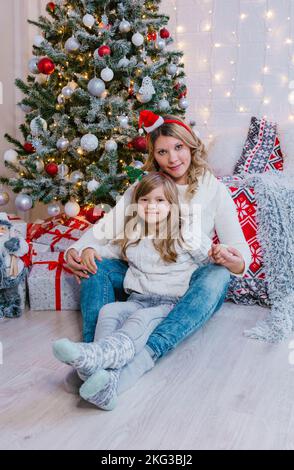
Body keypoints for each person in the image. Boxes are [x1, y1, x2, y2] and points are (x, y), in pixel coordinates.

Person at [63, 110, 252, 410]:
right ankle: (92, 356)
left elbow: (241, 253)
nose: (173, 158)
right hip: (144, 275)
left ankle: (145, 357)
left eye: (178, 148)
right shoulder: (145, 187)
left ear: (191, 146)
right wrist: (80, 250)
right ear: (154, 155)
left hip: (184, 283)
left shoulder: (213, 189)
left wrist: (231, 259)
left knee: (218, 275)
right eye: (162, 152)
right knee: (95, 266)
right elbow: (106, 231)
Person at [53, 172, 213, 409]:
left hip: (166, 304)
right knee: (109, 311)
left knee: (139, 320)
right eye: (145, 200)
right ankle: (96, 361)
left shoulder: (184, 234)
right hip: (138, 298)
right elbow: (108, 252)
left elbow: (209, 258)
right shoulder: (134, 234)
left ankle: (94, 367)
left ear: (172, 206)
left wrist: (217, 252)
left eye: (160, 201)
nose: (151, 206)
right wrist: (88, 250)